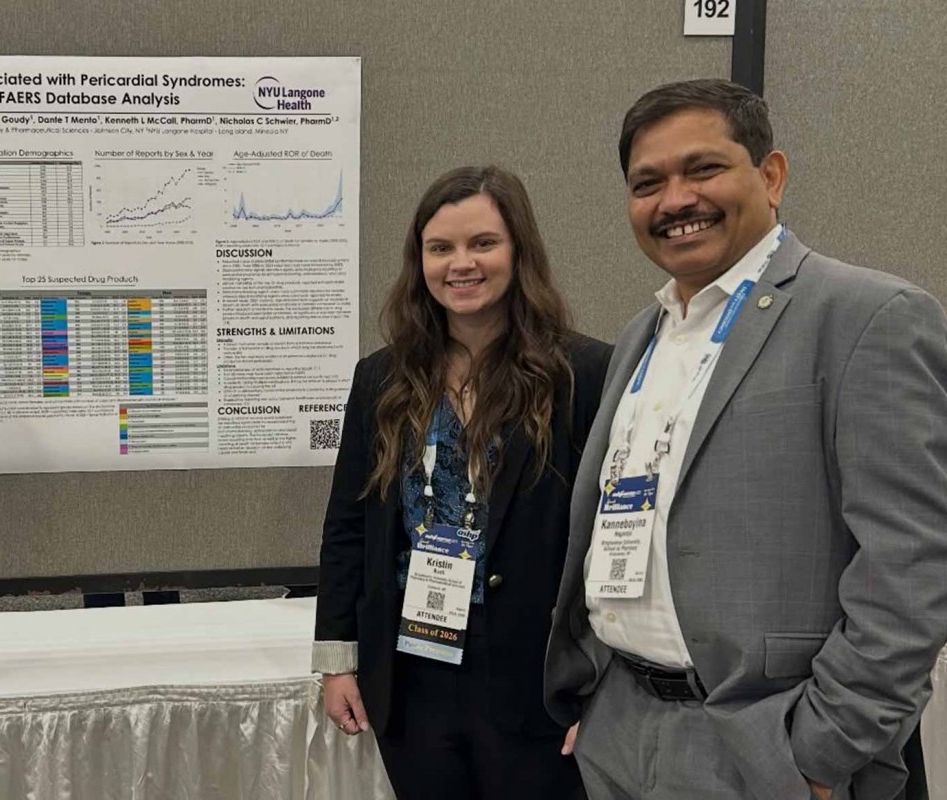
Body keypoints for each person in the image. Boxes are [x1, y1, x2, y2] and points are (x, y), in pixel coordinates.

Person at [544, 78, 947, 800]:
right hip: (620, 730)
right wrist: (598, 692)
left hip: (765, 743)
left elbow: (913, 564)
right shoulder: (641, 336)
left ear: (771, 176)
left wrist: (822, 750)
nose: (674, 200)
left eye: (702, 169)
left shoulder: (868, 317)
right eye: (647, 184)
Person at [314, 165, 611, 798]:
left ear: (519, 251)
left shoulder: (582, 374)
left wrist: (604, 686)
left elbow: (609, 540)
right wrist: (337, 662)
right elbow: (347, 525)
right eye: (440, 247)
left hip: (536, 680)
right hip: (412, 673)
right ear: (419, 260)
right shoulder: (381, 379)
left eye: (483, 243)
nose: (461, 264)